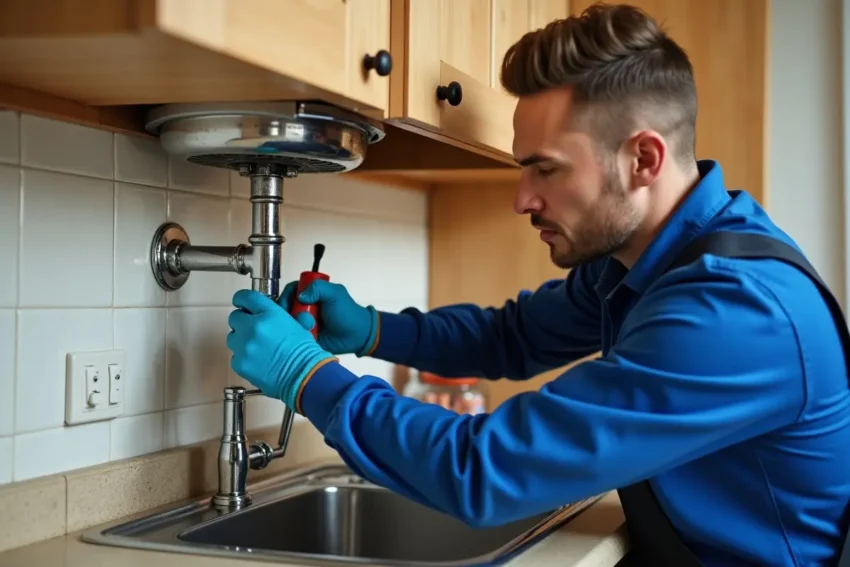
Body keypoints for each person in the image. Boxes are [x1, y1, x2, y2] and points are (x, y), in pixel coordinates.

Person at [225, 3, 850, 565]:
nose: (522, 199)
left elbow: (483, 472)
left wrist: (308, 377)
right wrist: (372, 330)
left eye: (544, 170)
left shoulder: (733, 312)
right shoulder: (645, 261)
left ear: (644, 159)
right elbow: (513, 336)